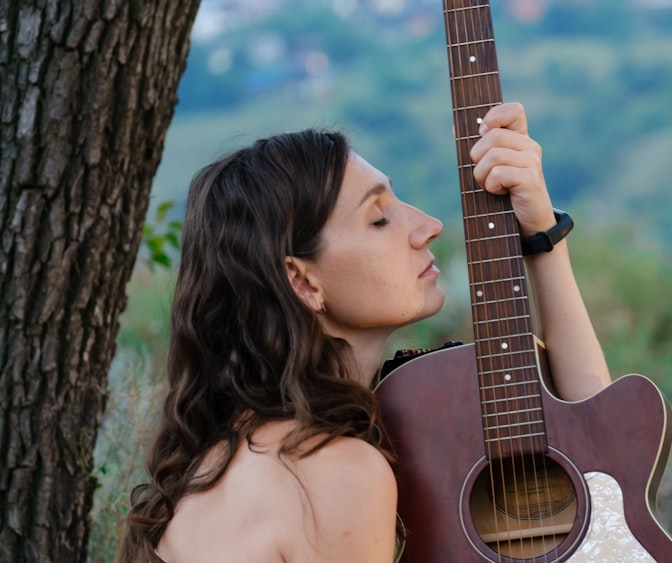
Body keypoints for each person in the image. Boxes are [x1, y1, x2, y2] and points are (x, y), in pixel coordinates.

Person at [118, 102, 611, 562]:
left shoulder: (235, 453)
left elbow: (601, 453)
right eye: (379, 219)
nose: (429, 226)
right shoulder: (334, 472)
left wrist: (540, 233)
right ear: (302, 280)